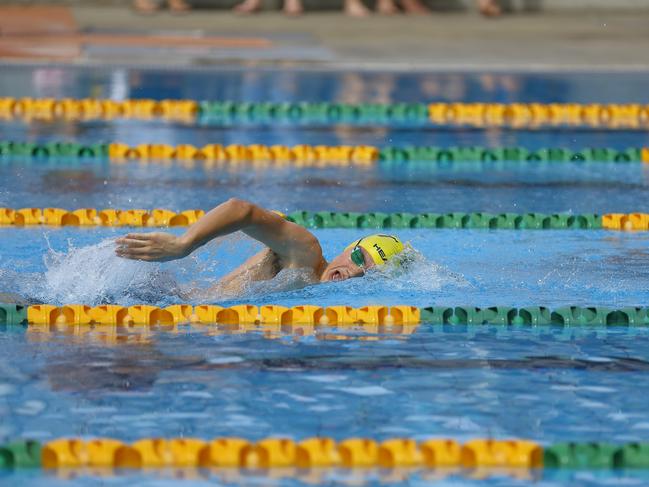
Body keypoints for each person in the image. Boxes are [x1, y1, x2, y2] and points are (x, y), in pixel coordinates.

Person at [115, 198, 404, 294]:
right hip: (163, 300)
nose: (353, 272)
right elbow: (242, 210)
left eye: (366, 273)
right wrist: (183, 244)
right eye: (357, 256)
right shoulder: (307, 255)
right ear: (346, 247)